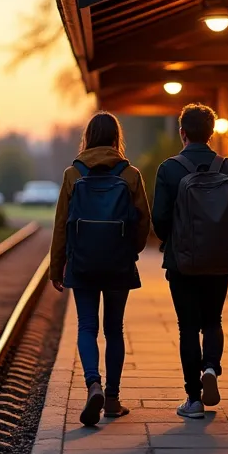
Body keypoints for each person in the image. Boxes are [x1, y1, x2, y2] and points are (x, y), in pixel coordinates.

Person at [47, 112, 151, 427]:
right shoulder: (130, 174)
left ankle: (93, 383)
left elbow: (61, 226)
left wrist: (56, 267)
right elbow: (144, 221)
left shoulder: (73, 174)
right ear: (116, 138)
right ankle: (113, 399)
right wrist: (130, 251)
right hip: (119, 263)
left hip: (82, 263)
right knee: (114, 329)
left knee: (87, 327)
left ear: (88, 137)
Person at [151, 104, 228, 419]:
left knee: (187, 327)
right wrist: (219, 240)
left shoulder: (169, 170)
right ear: (211, 133)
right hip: (219, 261)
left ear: (182, 132)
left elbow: (159, 220)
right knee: (213, 320)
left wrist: (176, 241)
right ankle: (210, 367)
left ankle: (193, 400)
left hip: (182, 262)